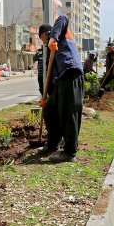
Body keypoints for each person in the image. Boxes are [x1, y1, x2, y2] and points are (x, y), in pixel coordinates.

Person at [37, 15, 84, 163]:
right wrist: (46, 97)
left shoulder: (60, 33)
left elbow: (63, 17)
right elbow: (49, 74)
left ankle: (69, 153)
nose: (43, 42)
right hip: (61, 80)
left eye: (42, 39)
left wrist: (53, 38)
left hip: (71, 73)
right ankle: (53, 144)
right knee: (50, 110)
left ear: (45, 34)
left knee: (68, 114)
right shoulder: (51, 51)